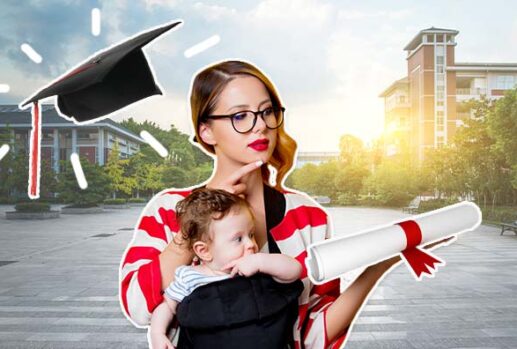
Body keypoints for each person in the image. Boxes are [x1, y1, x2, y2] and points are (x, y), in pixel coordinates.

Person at [119, 59, 449, 348]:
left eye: (267, 112)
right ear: (206, 131)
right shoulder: (168, 209)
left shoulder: (307, 216)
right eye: (241, 116)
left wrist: (379, 264)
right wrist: (194, 222)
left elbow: (311, 335)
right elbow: (138, 308)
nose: (261, 124)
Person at [150, 187, 303, 349]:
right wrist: (157, 333)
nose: (251, 244)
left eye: (251, 234)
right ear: (204, 251)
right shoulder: (189, 277)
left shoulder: (259, 267)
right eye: (238, 239)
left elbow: (294, 271)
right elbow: (167, 306)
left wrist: (261, 262)